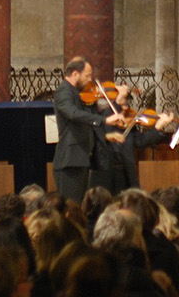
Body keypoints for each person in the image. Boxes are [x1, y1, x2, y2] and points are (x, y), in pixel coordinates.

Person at [53, 57, 130, 203]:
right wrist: (104, 120)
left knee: (80, 206)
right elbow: (73, 114)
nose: (90, 80)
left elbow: (87, 122)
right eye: (87, 76)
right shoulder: (63, 92)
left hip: (80, 160)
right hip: (70, 162)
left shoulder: (77, 93)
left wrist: (116, 103)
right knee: (71, 206)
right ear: (75, 74)